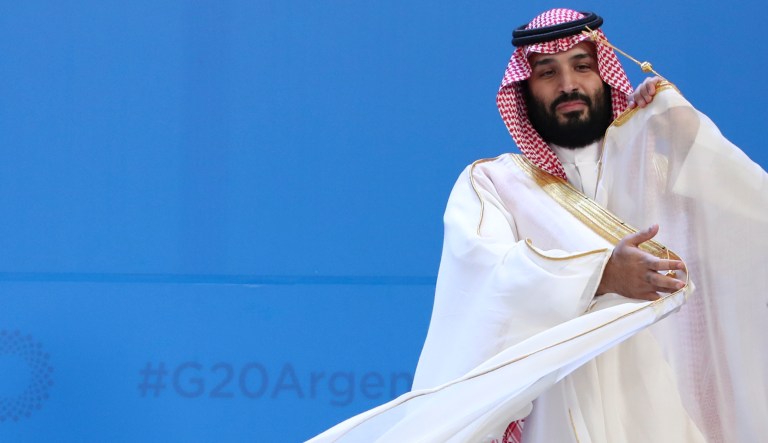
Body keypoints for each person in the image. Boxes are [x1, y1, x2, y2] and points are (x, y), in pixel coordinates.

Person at [308, 9, 766, 443]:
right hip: (555, 412)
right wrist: (600, 275)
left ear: (605, 74)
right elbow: (487, 284)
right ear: (525, 90)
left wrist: (678, 132)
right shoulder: (494, 185)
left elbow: (745, 233)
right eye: (547, 72)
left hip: (655, 408)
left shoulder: (660, 170)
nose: (568, 84)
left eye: (582, 66)